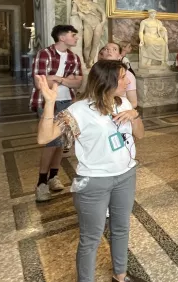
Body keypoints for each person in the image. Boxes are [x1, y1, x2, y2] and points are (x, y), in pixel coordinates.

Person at [34, 60, 144, 282]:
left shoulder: (122, 103)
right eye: (123, 77)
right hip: (94, 181)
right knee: (91, 238)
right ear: (107, 81)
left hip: (125, 175)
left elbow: (140, 135)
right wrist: (49, 103)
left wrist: (135, 115)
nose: (128, 80)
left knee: (121, 228)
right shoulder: (79, 110)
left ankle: (120, 276)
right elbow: (44, 138)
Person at [30, 25, 83, 202]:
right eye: (73, 35)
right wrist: (68, 80)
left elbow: (78, 83)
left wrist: (58, 79)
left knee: (62, 141)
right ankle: (41, 183)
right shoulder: (44, 54)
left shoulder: (74, 57)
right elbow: (40, 83)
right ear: (62, 37)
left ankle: (53, 176)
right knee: (51, 141)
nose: (76, 37)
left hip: (67, 102)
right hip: (47, 103)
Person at [99, 43, 138, 109]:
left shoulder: (128, 75)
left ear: (120, 56)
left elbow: (133, 102)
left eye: (114, 49)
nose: (109, 51)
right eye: (106, 49)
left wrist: (118, 111)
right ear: (102, 54)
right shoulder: (97, 71)